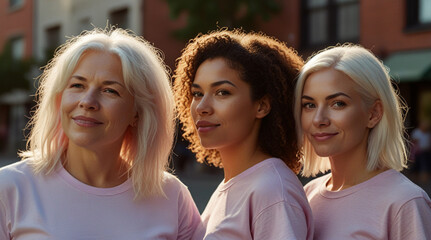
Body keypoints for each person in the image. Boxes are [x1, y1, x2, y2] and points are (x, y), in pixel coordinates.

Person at [0, 28, 203, 239]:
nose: (87, 101)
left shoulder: (172, 196)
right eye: (77, 85)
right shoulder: (10, 188)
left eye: (110, 90)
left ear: (137, 112)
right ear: (59, 98)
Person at [173, 29, 314, 239]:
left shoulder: (273, 192)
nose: (202, 107)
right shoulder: (236, 184)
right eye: (197, 93)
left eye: (222, 92)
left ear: (262, 106)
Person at [294, 44, 431, 239]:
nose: (318, 119)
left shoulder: (405, 203)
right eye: (309, 105)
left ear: (373, 114)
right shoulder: (305, 195)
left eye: (338, 104)